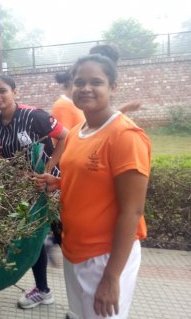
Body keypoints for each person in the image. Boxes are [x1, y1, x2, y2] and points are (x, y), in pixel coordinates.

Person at [35, 54, 151, 318]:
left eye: (96, 81)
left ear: (113, 86)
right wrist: (60, 182)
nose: (86, 88)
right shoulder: (77, 132)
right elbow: (91, 178)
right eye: (80, 81)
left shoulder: (125, 137)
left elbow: (131, 211)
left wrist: (112, 277)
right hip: (74, 249)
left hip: (105, 256)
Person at [0, 74, 68, 310]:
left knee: (66, 239)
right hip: (26, 196)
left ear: (15, 92)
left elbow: (64, 136)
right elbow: (2, 162)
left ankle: (88, 288)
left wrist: (47, 169)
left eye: (3, 90)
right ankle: (43, 290)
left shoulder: (35, 117)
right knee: (36, 241)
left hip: (51, 189)